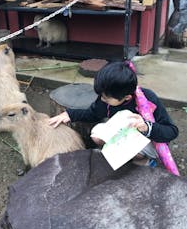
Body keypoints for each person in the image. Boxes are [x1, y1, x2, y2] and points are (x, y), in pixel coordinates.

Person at [49, 61, 179, 165]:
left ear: (127, 97)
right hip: (124, 134)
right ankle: (121, 157)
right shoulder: (106, 98)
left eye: (105, 98)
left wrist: (147, 127)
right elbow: (92, 114)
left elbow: (172, 131)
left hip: (147, 142)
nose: (101, 100)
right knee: (96, 134)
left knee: (130, 150)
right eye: (100, 95)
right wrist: (70, 114)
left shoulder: (148, 99)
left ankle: (142, 161)